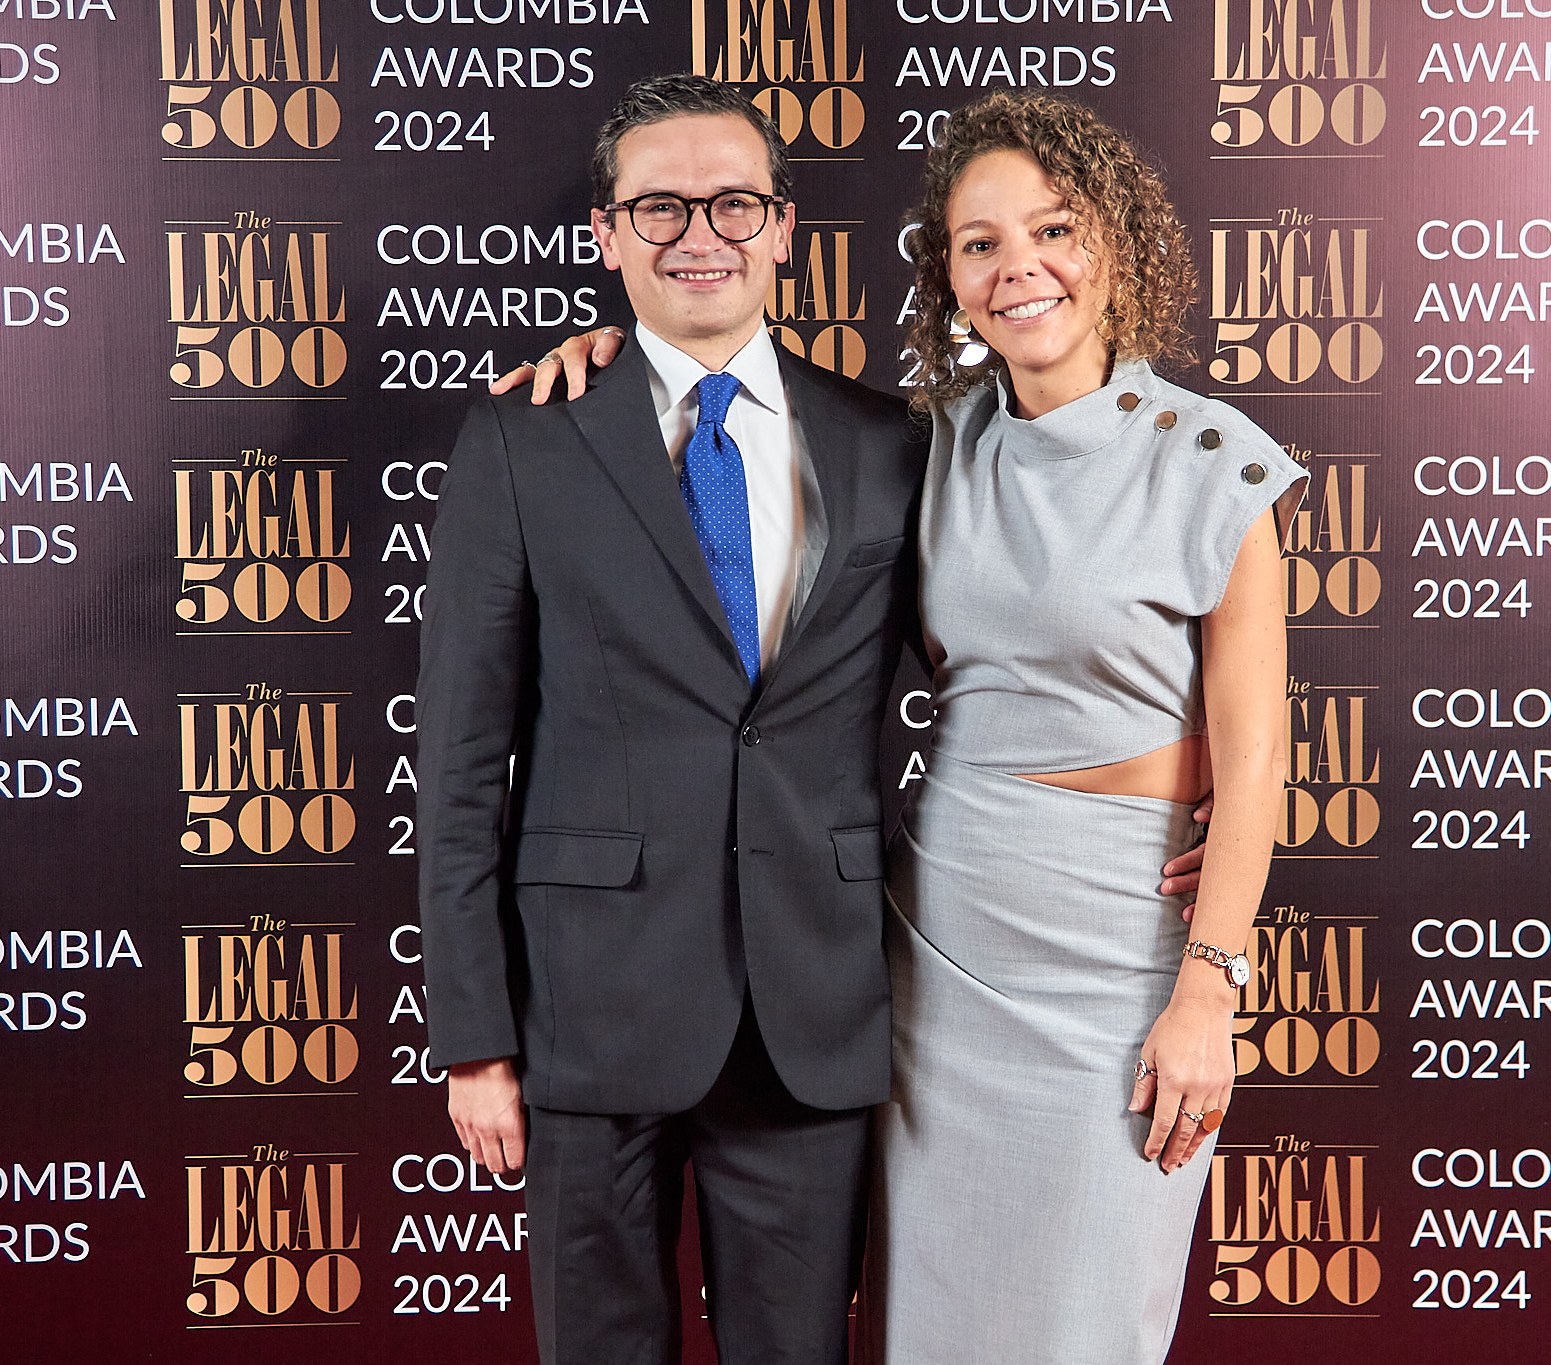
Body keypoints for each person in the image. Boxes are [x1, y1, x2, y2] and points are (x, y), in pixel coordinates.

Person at [497, 89, 1287, 1364]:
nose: (1018, 268)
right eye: (979, 243)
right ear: (947, 278)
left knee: (1091, 1312)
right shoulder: (930, 445)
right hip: (939, 941)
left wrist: (1211, 983)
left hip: (1114, 943)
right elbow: (720, 441)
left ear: (1115, 242)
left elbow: (1254, 761)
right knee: (930, 1318)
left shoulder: (1215, 461)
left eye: (1053, 230)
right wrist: (611, 365)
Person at [416, 74, 926, 1364]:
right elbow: (460, 761)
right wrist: (474, 1039)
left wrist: (1179, 780)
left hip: (811, 1010)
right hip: (583, 1011)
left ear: (783, 227)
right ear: (605, 233)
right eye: (659, 207)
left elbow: (1011, 654)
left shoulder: (889, 443)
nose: (699, 233)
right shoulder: (523, 437)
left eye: (733, 203)